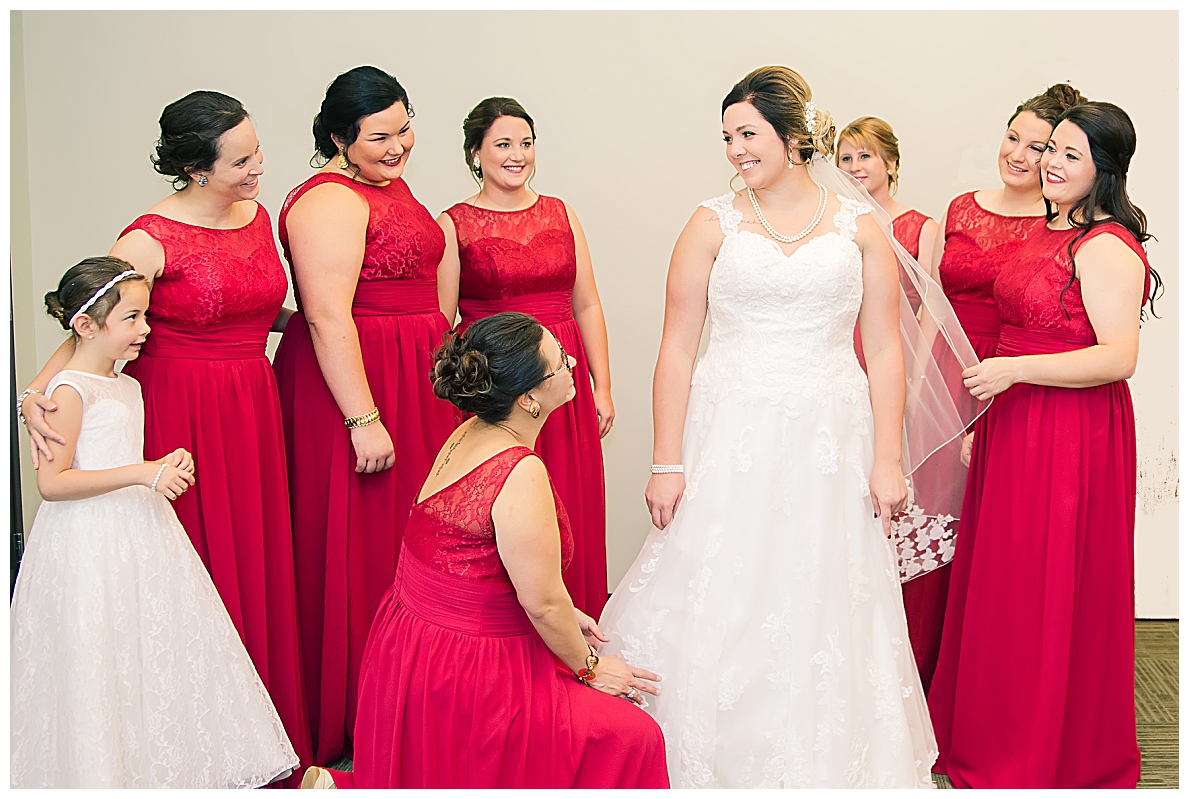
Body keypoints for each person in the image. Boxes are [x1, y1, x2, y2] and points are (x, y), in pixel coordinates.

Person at [598, 66, 980, 788]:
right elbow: (676, 347)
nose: (735, 149)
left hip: (830, 437)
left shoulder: (859, 227)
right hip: (729, 428)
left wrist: (888, 458)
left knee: (822, 589)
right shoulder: (709, 222)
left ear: (793, 137)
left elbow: (886, 348)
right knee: (723, 583)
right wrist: (665, 460)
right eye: (727, 137)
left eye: (748, 134)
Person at [15, 91, 313, 783]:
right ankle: (180, 745)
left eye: (256, 149)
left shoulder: (257, 214)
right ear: (195, 167)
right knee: (189, 570)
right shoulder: (147, 238)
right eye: (240, 159)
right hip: (181, 403)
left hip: (251, 401)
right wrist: (36, 390)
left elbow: (258, 305)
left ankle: (255, 732)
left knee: (255, 552)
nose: (258, 166)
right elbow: (93, 325)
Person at [301, 313, 668, 789]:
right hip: (465, 674)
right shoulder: (520, 471)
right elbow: (542, 603)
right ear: (530, 398)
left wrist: (554, 610)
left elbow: (464, 563)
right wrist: (592, 669)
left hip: (409, 647)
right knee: (634, 734)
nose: (573, 361)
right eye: (560, 361)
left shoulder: (467, 432)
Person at [929, 102, 1159, 789]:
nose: (1048, 163)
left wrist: (1013, 370)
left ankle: (1037, 747)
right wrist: (993, 407)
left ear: (1102, 171)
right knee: (1003, 583)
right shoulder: (1046, 230)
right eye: (1049, 149)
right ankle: (988, 728)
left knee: (1045, 585)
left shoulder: (1108, 245)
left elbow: (1118, 356)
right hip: (1015, 420)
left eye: (1068, 155)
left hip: (1069, 433)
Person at [272, 65, 457, 764]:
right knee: (363, 545)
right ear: (338, 138)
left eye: (405, 127)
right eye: (379, 136)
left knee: (410, 539)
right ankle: (364, 704)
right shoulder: (328, 200)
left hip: (412, 377)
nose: (398, 145)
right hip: (356, 385)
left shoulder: (386, 186)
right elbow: (325, 315)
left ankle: (414, 692)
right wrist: (362, 418)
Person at [903, 84, 1086, 695]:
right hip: (941, 372)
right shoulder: (959, 207)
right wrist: (913, 381)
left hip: (1002, 373)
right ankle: (907, 672)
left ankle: (962, 682)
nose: (1019, 154)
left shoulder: (1054, 224)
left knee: (981, 526)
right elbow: (933, 297)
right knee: (921, 516)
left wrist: (994, 401)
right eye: (1014, 137)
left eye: (1040, 148)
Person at [438, 97, 613, 617]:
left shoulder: (561, 212)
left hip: (561, 381)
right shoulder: (454, 224)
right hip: (502, 387)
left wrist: (602, 386)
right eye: (503, 145)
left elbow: (587, 302)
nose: (517, 156)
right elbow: (442, 321)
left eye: (526, 144)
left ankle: (578, 630)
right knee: (507, 510)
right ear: (476, 153)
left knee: (570, 504)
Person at [836, 115, 939, 370]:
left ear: (891, 163)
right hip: (838, 351)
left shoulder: (923, 229)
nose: (854, 167)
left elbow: (933, 310)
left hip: (895, 352)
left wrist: (920, 371)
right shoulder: (833, 225)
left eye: (864, 156)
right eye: (846, 158)